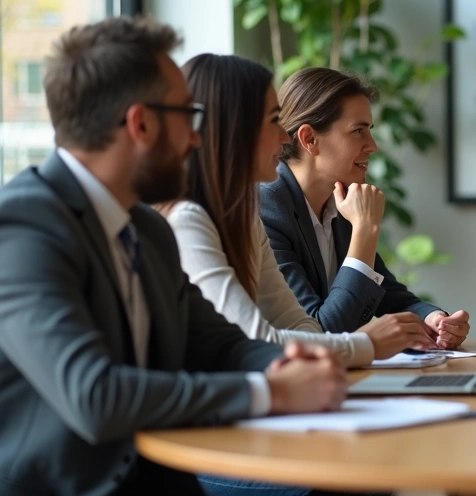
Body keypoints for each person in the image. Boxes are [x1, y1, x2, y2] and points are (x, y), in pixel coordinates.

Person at [0, 16, 345, 494]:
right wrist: (270, 392)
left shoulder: (147, 229)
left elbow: (221, 344)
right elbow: (96, 396)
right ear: (141, 123)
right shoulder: (22, 230)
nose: (198, 138)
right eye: (188, 116)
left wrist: (289, 363)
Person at [162, 54, 437, 369]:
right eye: (273, 120)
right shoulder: (193, 220)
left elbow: (303, 327)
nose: (283, 137)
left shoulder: (246, 217)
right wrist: (367, 344)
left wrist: (431, 318)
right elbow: (256, 339)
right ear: (235, 130)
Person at [260, 67, 470, 349]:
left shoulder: (341, 200)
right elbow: (323, 333)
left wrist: (432, 319)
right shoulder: (267, 208)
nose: (372, 146)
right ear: (309, 139)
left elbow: (386, 294)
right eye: (358, 131)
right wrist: (365, 229)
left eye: (369, 131)